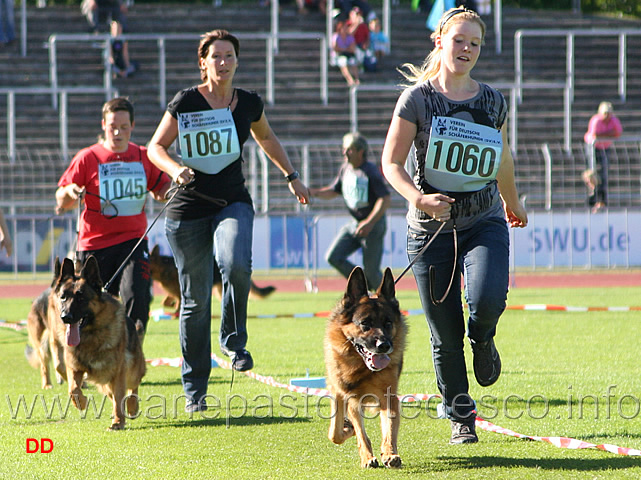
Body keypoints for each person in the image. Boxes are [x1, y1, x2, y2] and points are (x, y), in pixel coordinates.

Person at [380, 7, 527, 445]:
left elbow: (501, 157)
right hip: (429, 231)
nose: (466, 49)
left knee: (484, 302)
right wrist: (419, 198)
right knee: (444, 333)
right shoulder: (417, 100)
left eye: (474, 43)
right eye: (459, 40)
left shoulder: (493, 101)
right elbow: (390, 163)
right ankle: (461, 414)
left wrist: (512, 202)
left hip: (484, 221)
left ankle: (484, 339)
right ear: (439, 42)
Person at [147, 29, 310, 412]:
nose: (223, 62)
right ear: (203, 62)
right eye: (215, 56)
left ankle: (234, 341)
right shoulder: (186, 101)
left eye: (229, 55)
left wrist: (291, 176)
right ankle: (195, 391)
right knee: (195, 301)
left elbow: (267, 138)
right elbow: (156, 146)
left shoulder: (249, 103)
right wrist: (174, 169)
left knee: (236, 262)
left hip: (232, 201)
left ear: (237, 61)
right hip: (187, 209)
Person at [55, 97, 171, 335]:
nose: (118, 132)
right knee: (86, 304)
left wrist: (166, 192)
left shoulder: (143, 156)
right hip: (94, 246)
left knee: (138, 296)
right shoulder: (87, 157)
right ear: (103, 125)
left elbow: (162, 188)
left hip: (133, 242)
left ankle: (131, 352)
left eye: (124, 127)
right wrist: (71, 191)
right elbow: (61, 199)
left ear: (133, 126)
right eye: (112, 127)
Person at [310, 132, 390, 291]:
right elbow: (334, 190)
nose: (344, 153)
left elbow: (385, 199)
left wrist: (369, 223)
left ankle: (388, 302)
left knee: (373, 272)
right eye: (344, 149)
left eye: (350, 149)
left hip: (373, 225)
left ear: (361, 152)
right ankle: (362, 286)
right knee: (333, 257)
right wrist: (311, 192)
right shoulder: (345, 169)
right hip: (356, 223)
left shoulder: (370, 172)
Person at [583, 101, 622, 213]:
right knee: (592, 175)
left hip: (604, 147)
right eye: (605, 113)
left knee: (603, 175)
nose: (607, 116)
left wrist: (604, 136)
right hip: (593, 147)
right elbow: (596, 135)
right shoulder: (596, 120)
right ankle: (592, 200)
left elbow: (618, 133)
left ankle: (602, 201)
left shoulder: (613, 120)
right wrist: (609, 134)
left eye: (608, 113)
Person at [331, 20, 360, 86]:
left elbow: (352, 49)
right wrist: (346, 49)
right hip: (339, 55)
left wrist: (343, 49)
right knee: (343, 62)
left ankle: (356, 78)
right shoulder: (336, 36)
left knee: (353, 62)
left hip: (348, 55)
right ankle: (350, 79)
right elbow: (335, 48)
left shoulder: (350, 37)